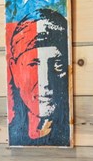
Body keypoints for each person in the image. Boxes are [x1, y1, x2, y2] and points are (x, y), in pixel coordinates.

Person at [6, 8, 70, 146]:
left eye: (57, 65)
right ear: (14, 70)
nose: (45, 82)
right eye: (33, 65)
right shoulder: (14, 134)